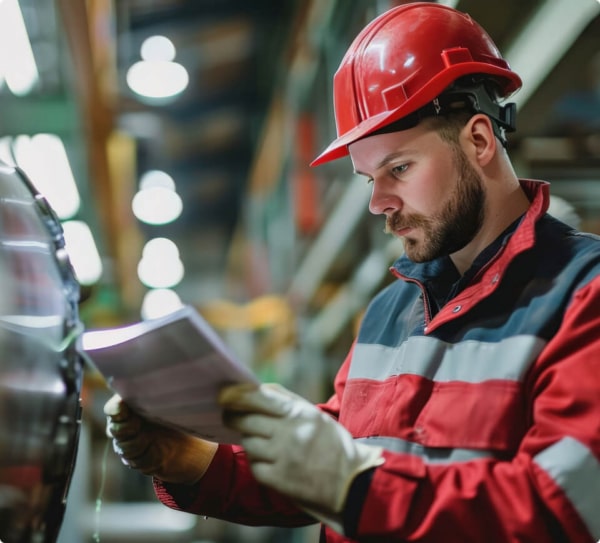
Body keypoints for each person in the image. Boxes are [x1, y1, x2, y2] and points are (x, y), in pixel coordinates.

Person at [104, 3, 600, 542]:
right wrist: (199, 462)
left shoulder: (583, 293)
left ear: (479, 140)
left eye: (399, 168)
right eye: (369, 179)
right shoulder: (390, 311)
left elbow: (558, 507)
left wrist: (354, 486)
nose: (378, 202)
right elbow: (324, 466)